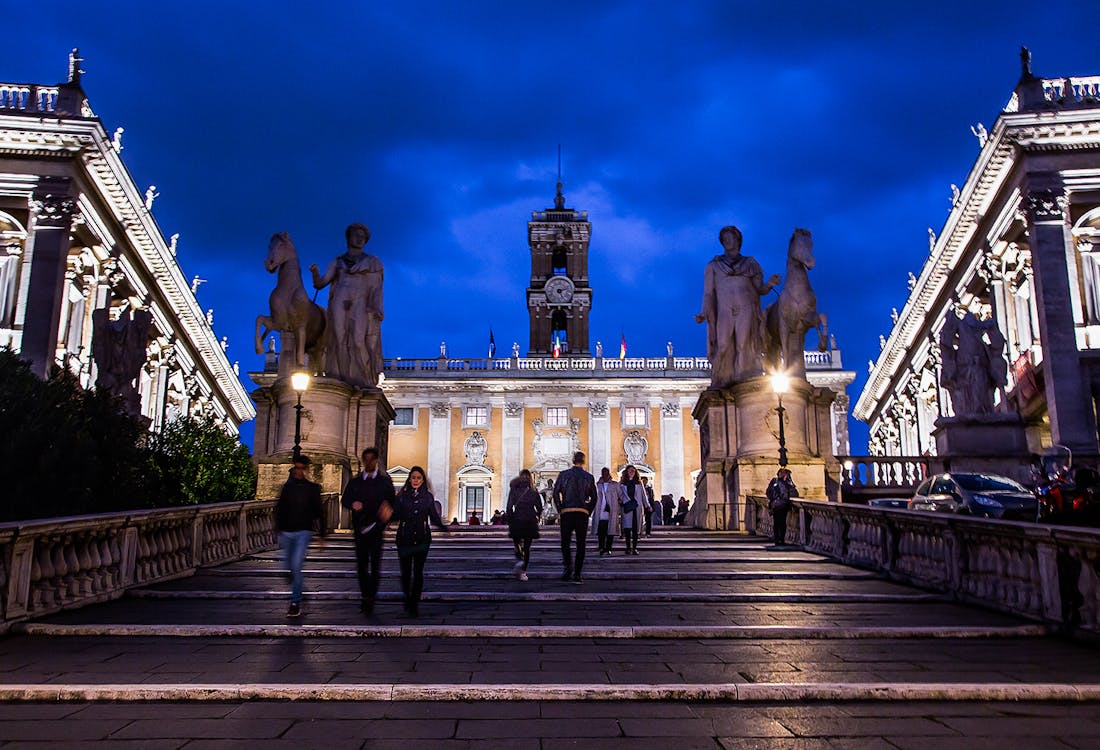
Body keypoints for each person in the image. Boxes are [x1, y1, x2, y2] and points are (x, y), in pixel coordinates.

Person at [695, 225, 781, 388]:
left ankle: (745, 382)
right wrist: (704, 311)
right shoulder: (713, 265)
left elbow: (759, 289)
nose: (728, 241)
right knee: (723, 344)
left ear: (738, 240)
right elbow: (708, 293)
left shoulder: (750, 263)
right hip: (724, 309)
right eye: (725, 239)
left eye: (731, 238)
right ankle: (722, 378)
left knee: (744, 343)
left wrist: (769, 284)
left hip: (746, 305)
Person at [310, 222, 384, 388]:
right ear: (349, 237)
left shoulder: (372, 262)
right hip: (340, 301)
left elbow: (377, 287)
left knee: (359, 340)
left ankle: (365, 379)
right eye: (356, 235)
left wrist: (377, 307)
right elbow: (321, 283)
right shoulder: (338, 261)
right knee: (339, 339)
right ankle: (342, 380)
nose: (359, 239)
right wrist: (315, 273)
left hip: (361, 302)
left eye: (362, 237)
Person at [341, 447, 395, 614]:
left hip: (377, 529)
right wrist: (352, 504)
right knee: (362, 565)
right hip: (360, 529)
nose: (370, 462)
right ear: (364, 461)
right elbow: (345, 500)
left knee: (375, 565)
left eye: (372, 459)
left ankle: (371, 596)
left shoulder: (385, 482)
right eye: (367, 459)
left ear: (376, 460)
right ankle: (365, 595)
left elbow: (393, 501)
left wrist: (389, 509)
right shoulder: (355, 482)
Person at [390, 466, 448, 617]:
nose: (416, 480)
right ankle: (407, 598)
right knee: (405, 573)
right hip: (404, 538)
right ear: (409, 479)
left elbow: (434, 517)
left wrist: (444, 528)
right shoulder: (401, 496)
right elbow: (395, 515)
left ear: (423, 480)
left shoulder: (427, 497)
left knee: (418, 572)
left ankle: (414, 603)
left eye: (419, 478)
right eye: (414, 478)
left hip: (422, 538)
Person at [276, 455, 325, 618]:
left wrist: (322, 535)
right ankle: (298, 585)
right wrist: (278, 528)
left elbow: (319, 512)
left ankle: (295, 602)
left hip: (303, 532)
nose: (297, 471)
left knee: (296, 566)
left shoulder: (312, 489)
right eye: (295, 468)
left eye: (301, 468)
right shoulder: (287, 488)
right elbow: (279, 509)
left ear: (305, 470)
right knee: (286, 568)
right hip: (287, 532)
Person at [553, 451, 598, 583]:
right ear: (583, 461)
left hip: (567, 511)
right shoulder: (588, 477)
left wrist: (560, 508)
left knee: (565, 542)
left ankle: (568, 568)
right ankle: (578, 573)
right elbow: (594, 497)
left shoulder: (563, 475)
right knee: (581, 543)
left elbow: (556, 494)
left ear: (573, 460)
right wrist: (587, 510)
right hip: (581, 512)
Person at [507, 469, 544, 581]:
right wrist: (537, 516)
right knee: (527, 547)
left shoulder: (514, 489)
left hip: (517, 519)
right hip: (529, 520)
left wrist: (510, 519)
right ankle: (523, 571)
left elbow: (509, 507)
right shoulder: (533, 491)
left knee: (517, 543)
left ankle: (519, 557)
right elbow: (539, 507)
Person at [618, 465, 651, 555]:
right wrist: (621, 500)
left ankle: (635, 548)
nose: (631, 472)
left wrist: (647, 505)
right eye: (630, 471)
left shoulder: (639, 483)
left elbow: (644, 495)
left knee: (636, 529)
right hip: (627, 507)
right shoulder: (622, 483)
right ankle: (628, 548)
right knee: (628, 529)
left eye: (633, 471)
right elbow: (619, 494)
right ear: (626, 472)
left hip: (637, 507)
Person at [592, 467, 620, 556]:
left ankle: (608, 548)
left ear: (609, 474)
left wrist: (618, 505)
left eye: (606, 473)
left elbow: (621, 496)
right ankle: (601, 547)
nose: (604, 475)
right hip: (600, 510)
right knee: (601, 530)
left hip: (611, 510)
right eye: (603, 473)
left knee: (610, 530)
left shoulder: (615, 485)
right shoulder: (597, 485)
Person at [766, 468, 799, 546]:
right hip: (776, 505)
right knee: (777, 523)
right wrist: (773, 499)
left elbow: (795, 493)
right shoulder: (774, 481)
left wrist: (789, 481)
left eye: (785, 474)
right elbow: (768, 492)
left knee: (782, 523)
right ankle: (777, 539)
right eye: (782, 473)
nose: (784, 475)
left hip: (783, 506)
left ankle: (781, 539)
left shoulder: (787, 482)